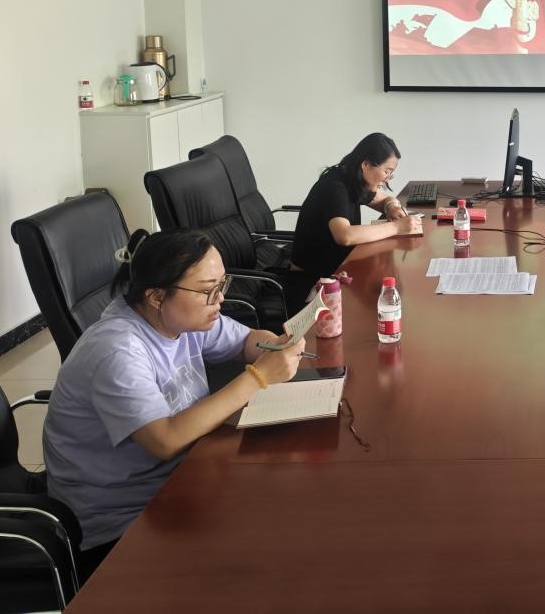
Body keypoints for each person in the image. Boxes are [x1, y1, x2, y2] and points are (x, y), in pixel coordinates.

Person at [43, 229, 306, 578]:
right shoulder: (117, 350)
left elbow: (245, 341)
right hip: (121, 521)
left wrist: (274, 345)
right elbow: (164, 440)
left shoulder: (182, 317)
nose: (220, 299)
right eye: (208, 290)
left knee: (290, 501)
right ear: (155, 296)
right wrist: (258, 377)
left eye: (222, 284)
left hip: (185, 479)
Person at [290, 133, 422, 289]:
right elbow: (345, 236)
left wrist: (392, 206)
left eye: (391, 174)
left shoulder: (351, 179)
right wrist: (397, 227)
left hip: (337, 268)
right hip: (310, 281)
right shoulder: (334, 187)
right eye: (386, 171)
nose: (387, 178)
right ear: (366, 164)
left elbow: (384, 199)